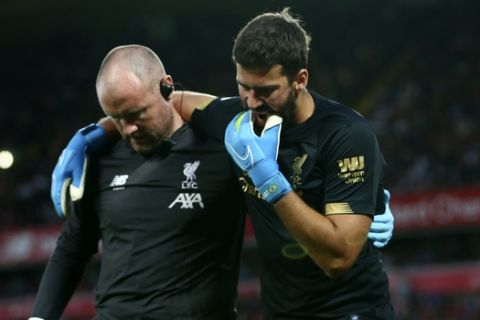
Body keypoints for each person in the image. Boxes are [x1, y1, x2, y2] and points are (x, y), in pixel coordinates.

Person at [48, 9, 395, 319]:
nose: (251, 101)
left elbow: (337, 260)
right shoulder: (238, 120)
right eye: (243, 87)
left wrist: (268, 180)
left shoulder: (346, 134)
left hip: (350, 309)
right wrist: (92, 134)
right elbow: (164, 101)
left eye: (265, 90)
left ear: (299, 80)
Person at [30, 44, 246, 319]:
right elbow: (73, 247)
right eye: (117, 118)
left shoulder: (222, 149)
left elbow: (247, 113)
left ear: (167, 87)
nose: (128, 128)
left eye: (136, 114)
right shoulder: (100, 158)